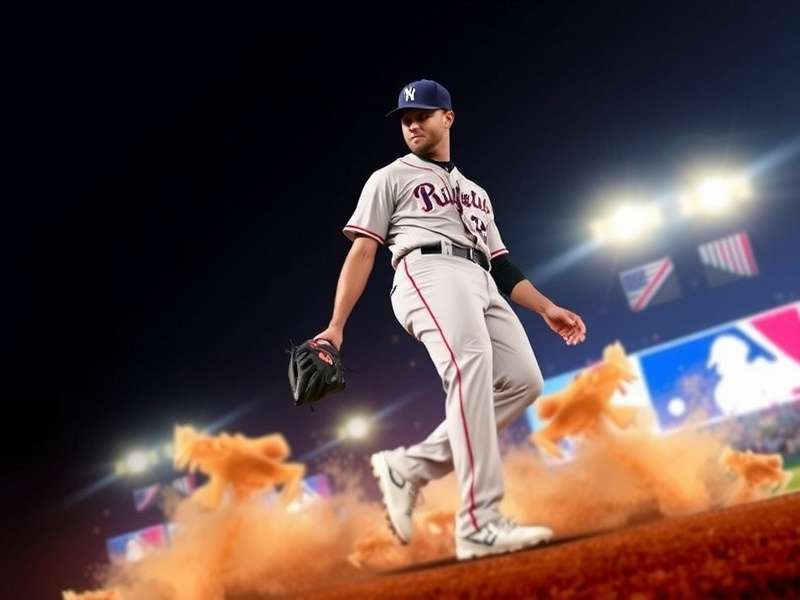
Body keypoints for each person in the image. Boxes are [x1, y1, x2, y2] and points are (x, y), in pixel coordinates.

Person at [313, 79, 587, 560]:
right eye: (405, 119)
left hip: (481, 278)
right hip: (426, 270)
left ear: (448, 118)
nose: (412, 124)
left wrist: (546, 307)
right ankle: (479, 523)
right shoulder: (389, 177)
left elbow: (501, 264)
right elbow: (363, 251)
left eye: (421, 114)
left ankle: (409, 468)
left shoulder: (476, 192)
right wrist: (337, 324)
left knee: (523, 381)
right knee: (469, 371)